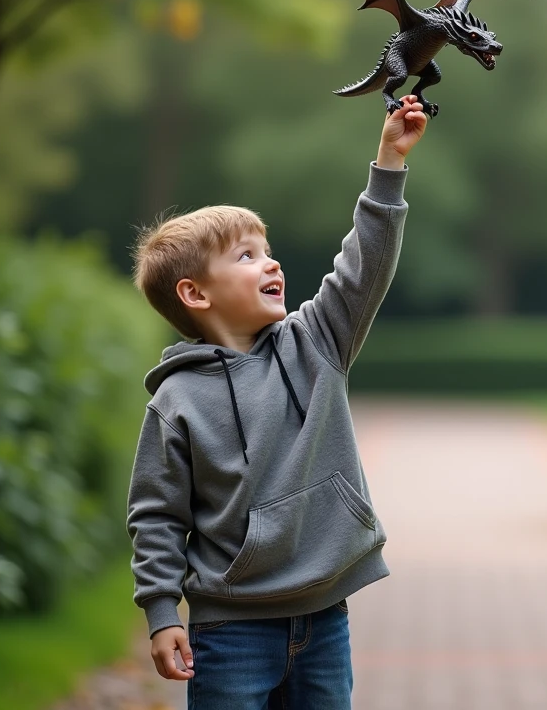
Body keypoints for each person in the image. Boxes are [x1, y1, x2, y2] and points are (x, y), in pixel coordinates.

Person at [126, 97, 429, 708]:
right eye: (246, 256)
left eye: (266, 249)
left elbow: (363, 267)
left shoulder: (315, 343)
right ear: (194, 293)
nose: (271, 262)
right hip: (229, 631)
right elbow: (157, 516)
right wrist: (163, 613)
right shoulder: (177, 402)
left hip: (325, 616)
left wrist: (389, 161)